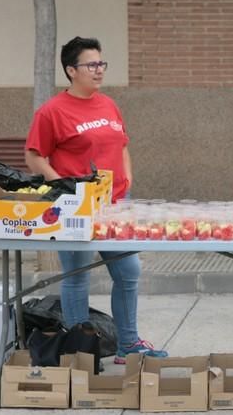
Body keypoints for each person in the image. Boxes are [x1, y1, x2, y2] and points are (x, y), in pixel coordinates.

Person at [25, 36, 167, 365]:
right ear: (71, 70)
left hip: (115, 203)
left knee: (128, 270)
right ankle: (80, 351)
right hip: (76, 206)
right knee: (77, 277)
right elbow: (34, 156)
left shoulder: (108, 104)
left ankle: (128, 345)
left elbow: (122, 144)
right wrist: (61, 187)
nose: (99, 70)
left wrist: (127, 179)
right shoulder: (52, 112)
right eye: (92, 65)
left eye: (101, 64)